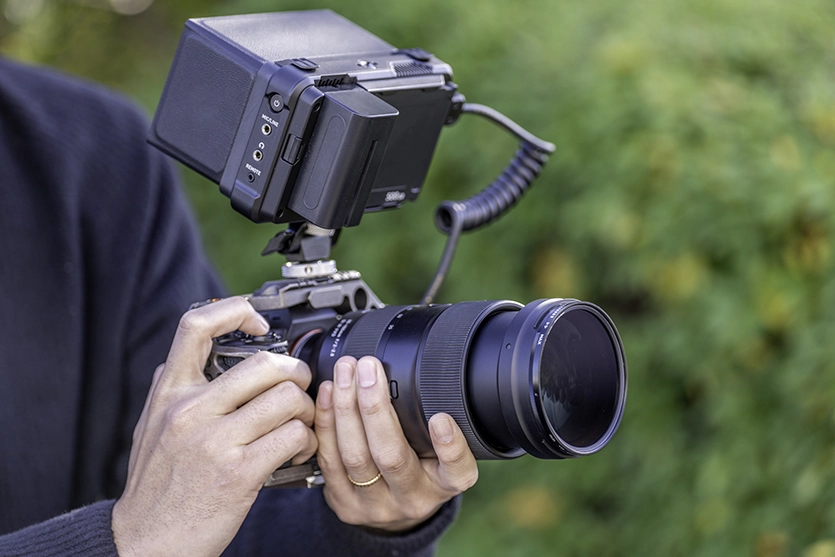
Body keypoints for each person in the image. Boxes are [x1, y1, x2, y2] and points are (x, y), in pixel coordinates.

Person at [0, 56, 478, 556]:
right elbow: (159, 531)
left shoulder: (93, 152)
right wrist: (126, 544)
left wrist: (365, 526)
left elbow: (209, 513)